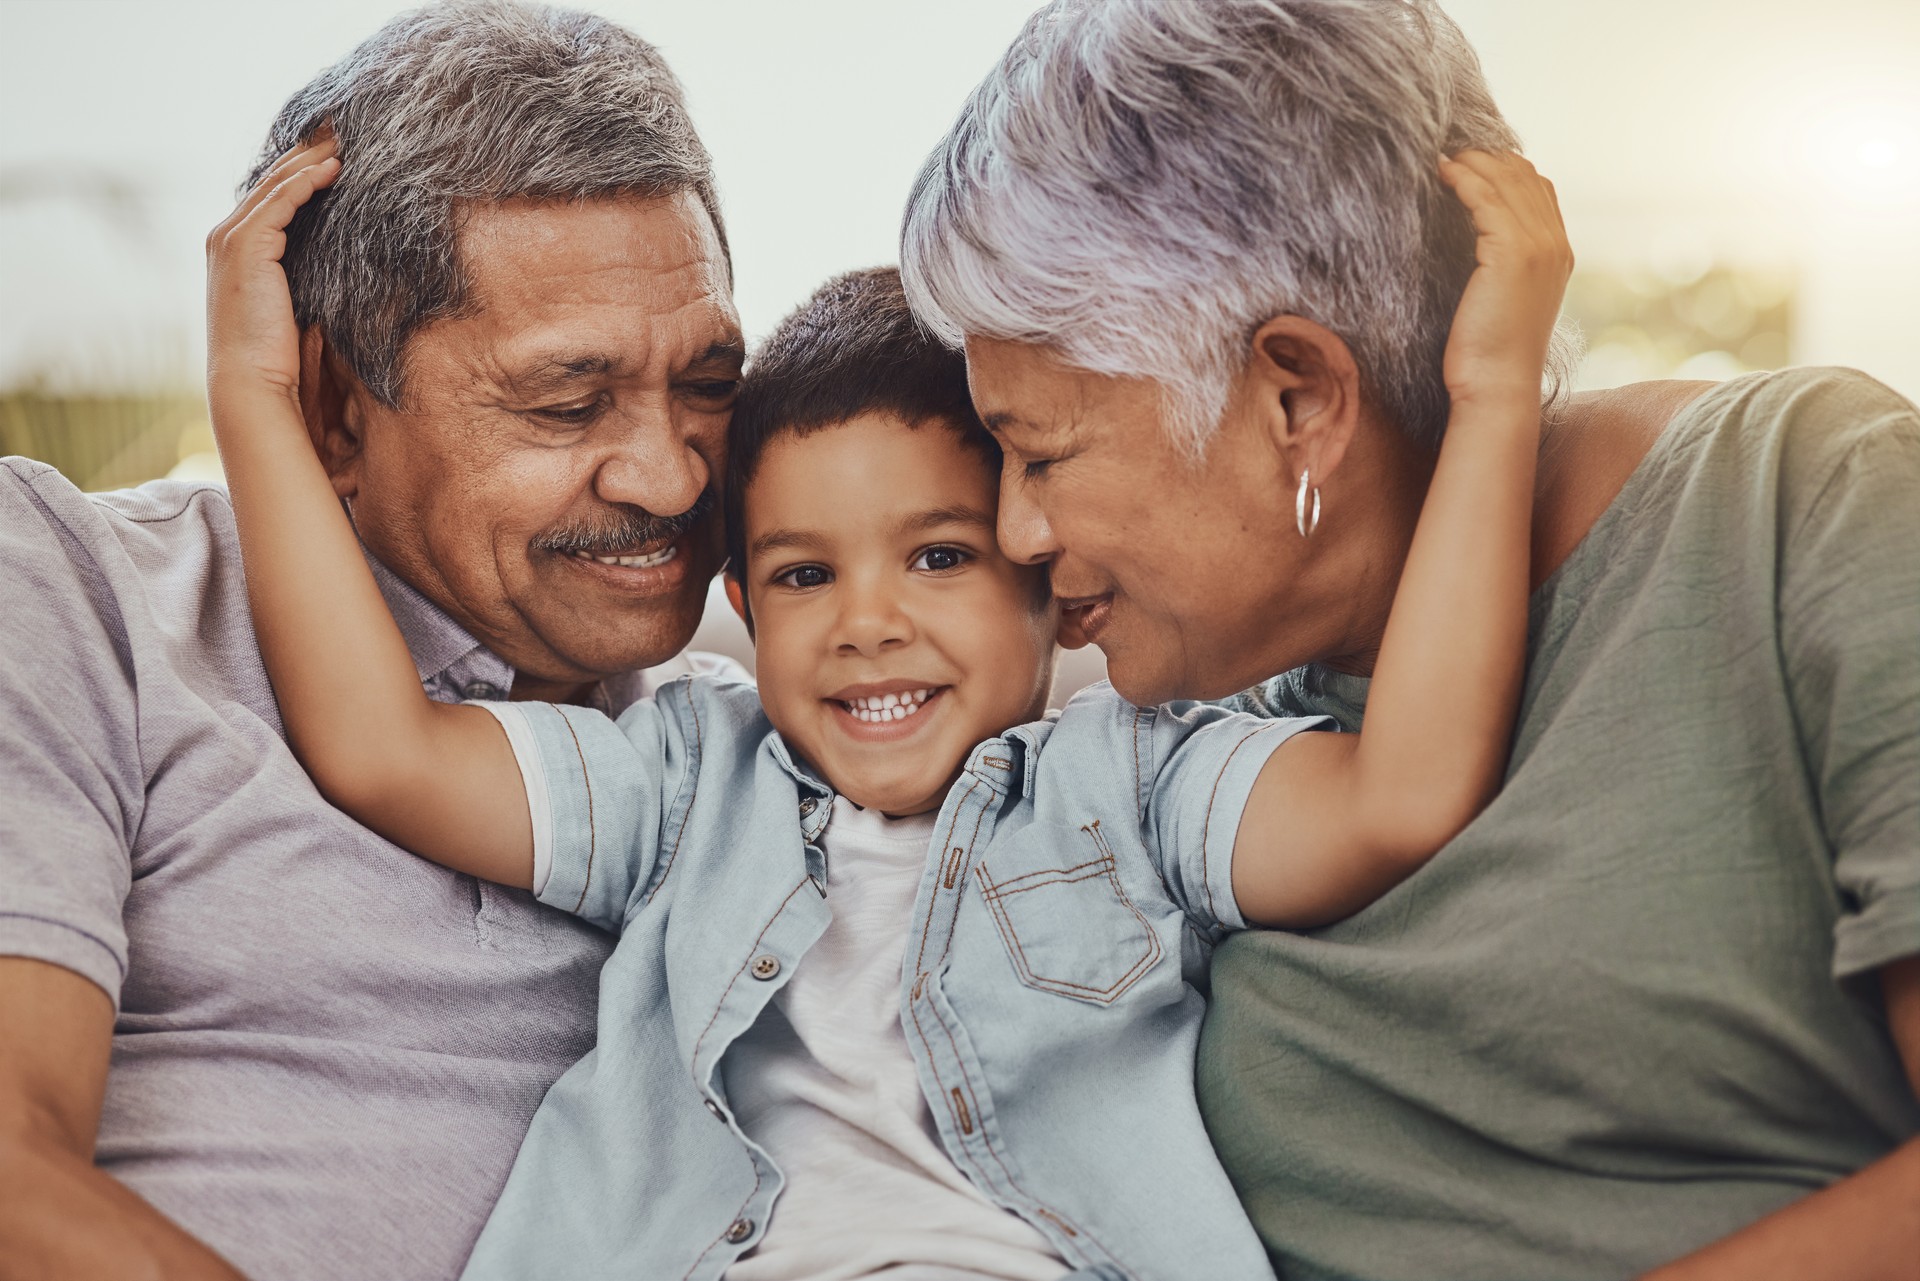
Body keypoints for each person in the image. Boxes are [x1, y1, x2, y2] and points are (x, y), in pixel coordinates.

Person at [203, 109, 1570, 1276]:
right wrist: (261, 400)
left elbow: (1400, 797)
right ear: (741, 604)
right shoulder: (689, 780)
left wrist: (1493, 396)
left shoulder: (1138, 784)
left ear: (1043, 573)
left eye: (936, 556)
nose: (867, 626)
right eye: (802, 576)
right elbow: (383, 751)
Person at [899, 1, 1920, 1278]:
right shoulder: (1175, 736)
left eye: (1042, 452)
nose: (1018, 531)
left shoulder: (1800, 505)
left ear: (1299, 399)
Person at [0, 5, 743, 1277]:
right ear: (335, 411)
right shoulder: (76, 589)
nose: (672, 479)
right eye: (569, 403)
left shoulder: (749, 744)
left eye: (712, 386)